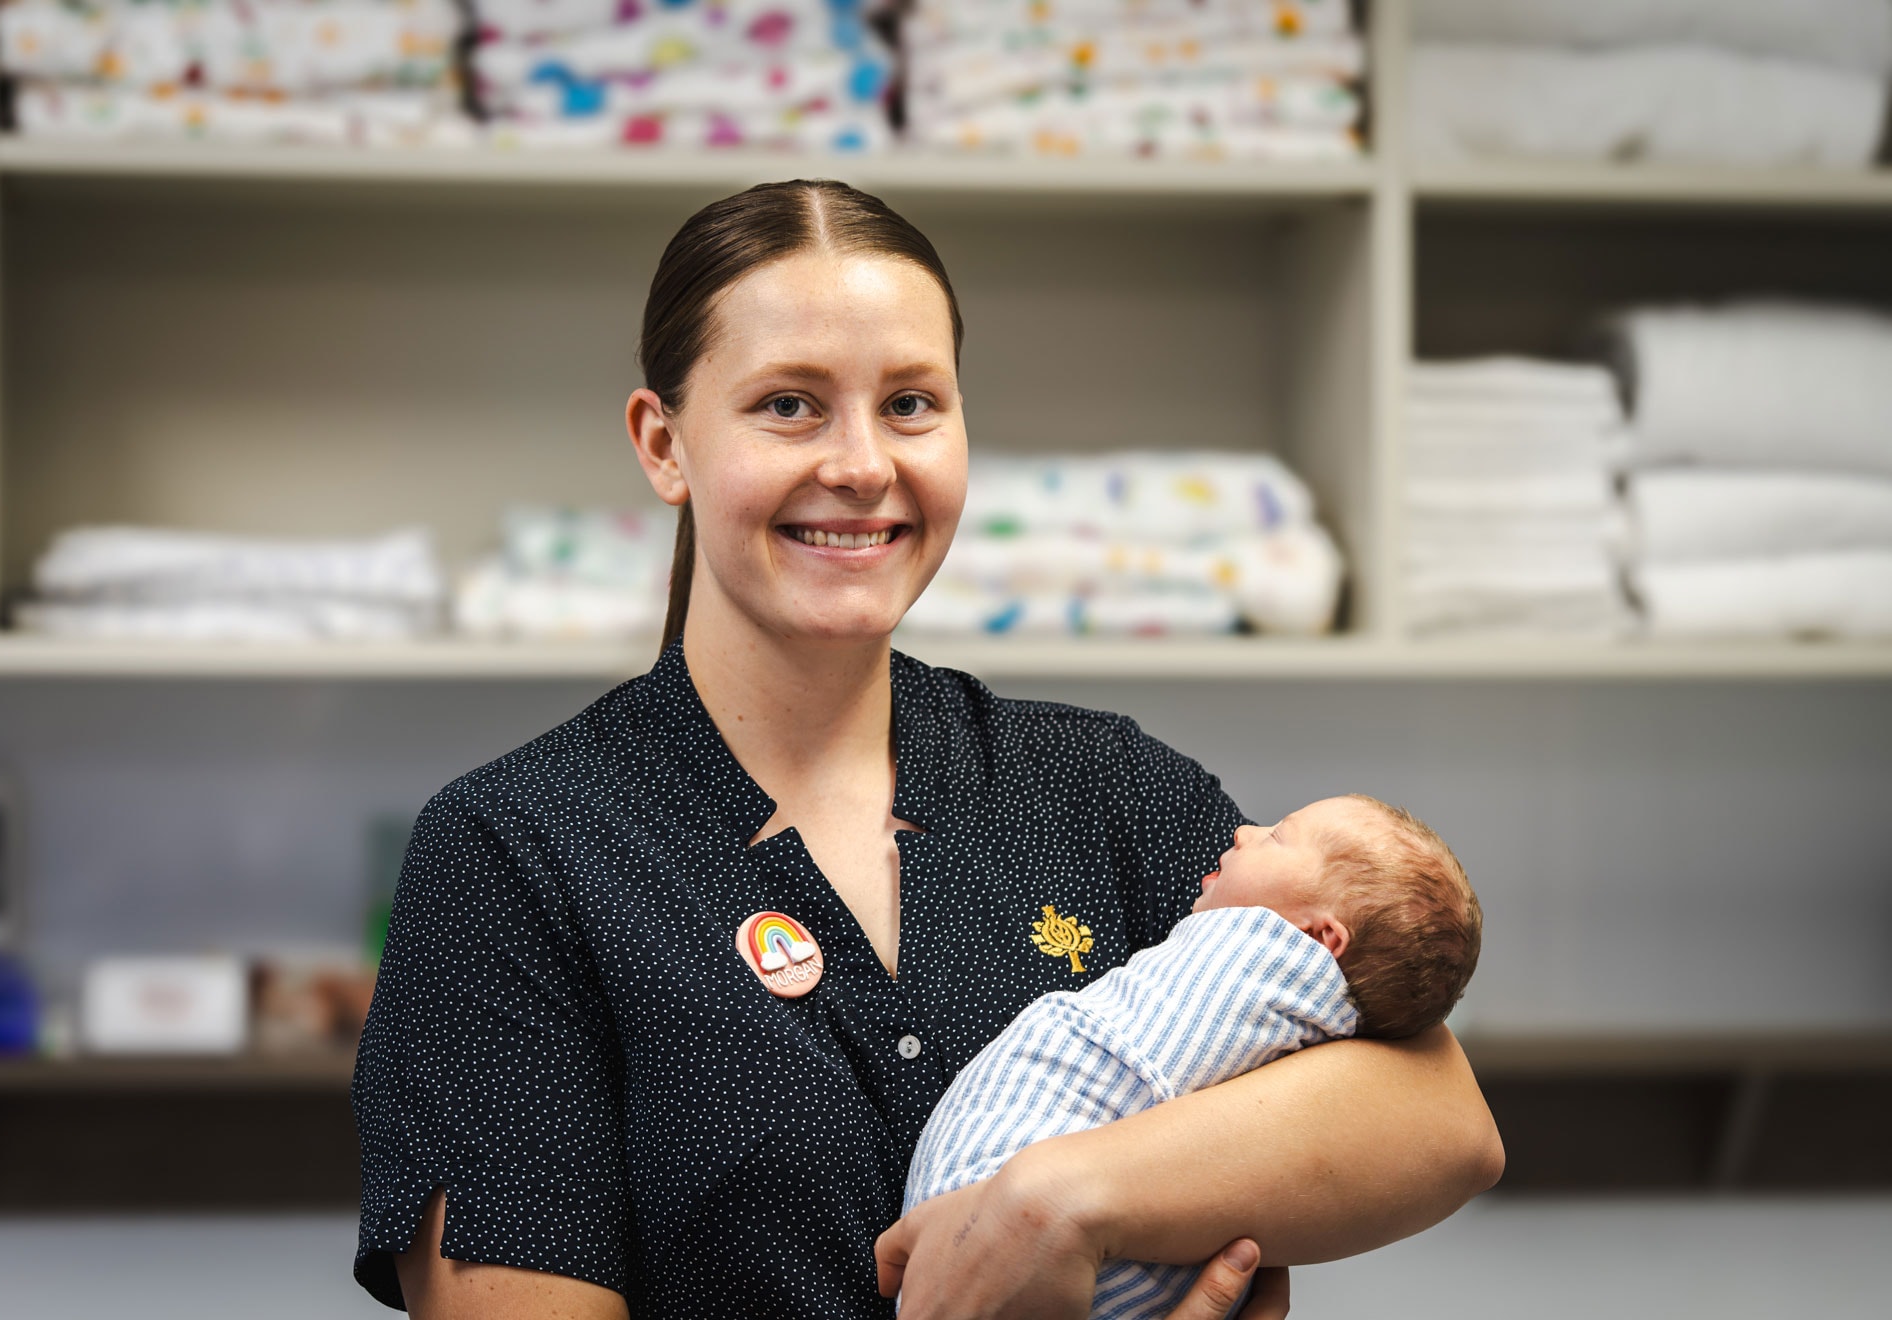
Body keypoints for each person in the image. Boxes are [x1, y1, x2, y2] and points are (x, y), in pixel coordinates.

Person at [350, 179, 1504, 1320]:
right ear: (664, 444)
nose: (862, 465)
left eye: (910, 404)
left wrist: (1061, 1204)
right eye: (790, 405)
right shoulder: (517, 854)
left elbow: (1439, 1122)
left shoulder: (1102, 791)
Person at [903, 795, 1482, 1317]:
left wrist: (1054, 1200)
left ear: (1320, 942)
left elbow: (1463, 1132)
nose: (1242, 832)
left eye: (1277, 836)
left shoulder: (1119, 783)